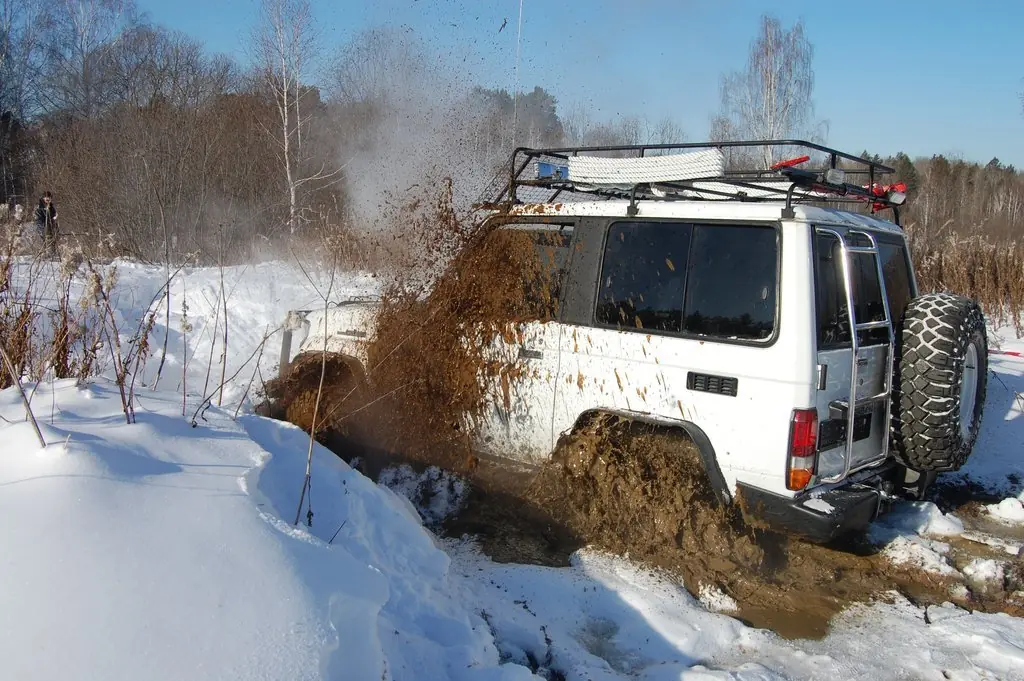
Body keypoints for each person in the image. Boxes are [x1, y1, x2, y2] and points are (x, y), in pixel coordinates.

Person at [34, 191, 58, 256]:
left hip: (51, 229)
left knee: (53, 239)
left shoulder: (51, 207)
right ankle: (45, 254)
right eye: (46, 197)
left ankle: (52, 253)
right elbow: (38, 220)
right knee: (46, 240)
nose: (47, 199)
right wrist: (44, 227)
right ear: (43, 198)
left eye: (49, 197)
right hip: (42, 229)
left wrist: (55, 225)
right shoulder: (39, 207)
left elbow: (54, 217)